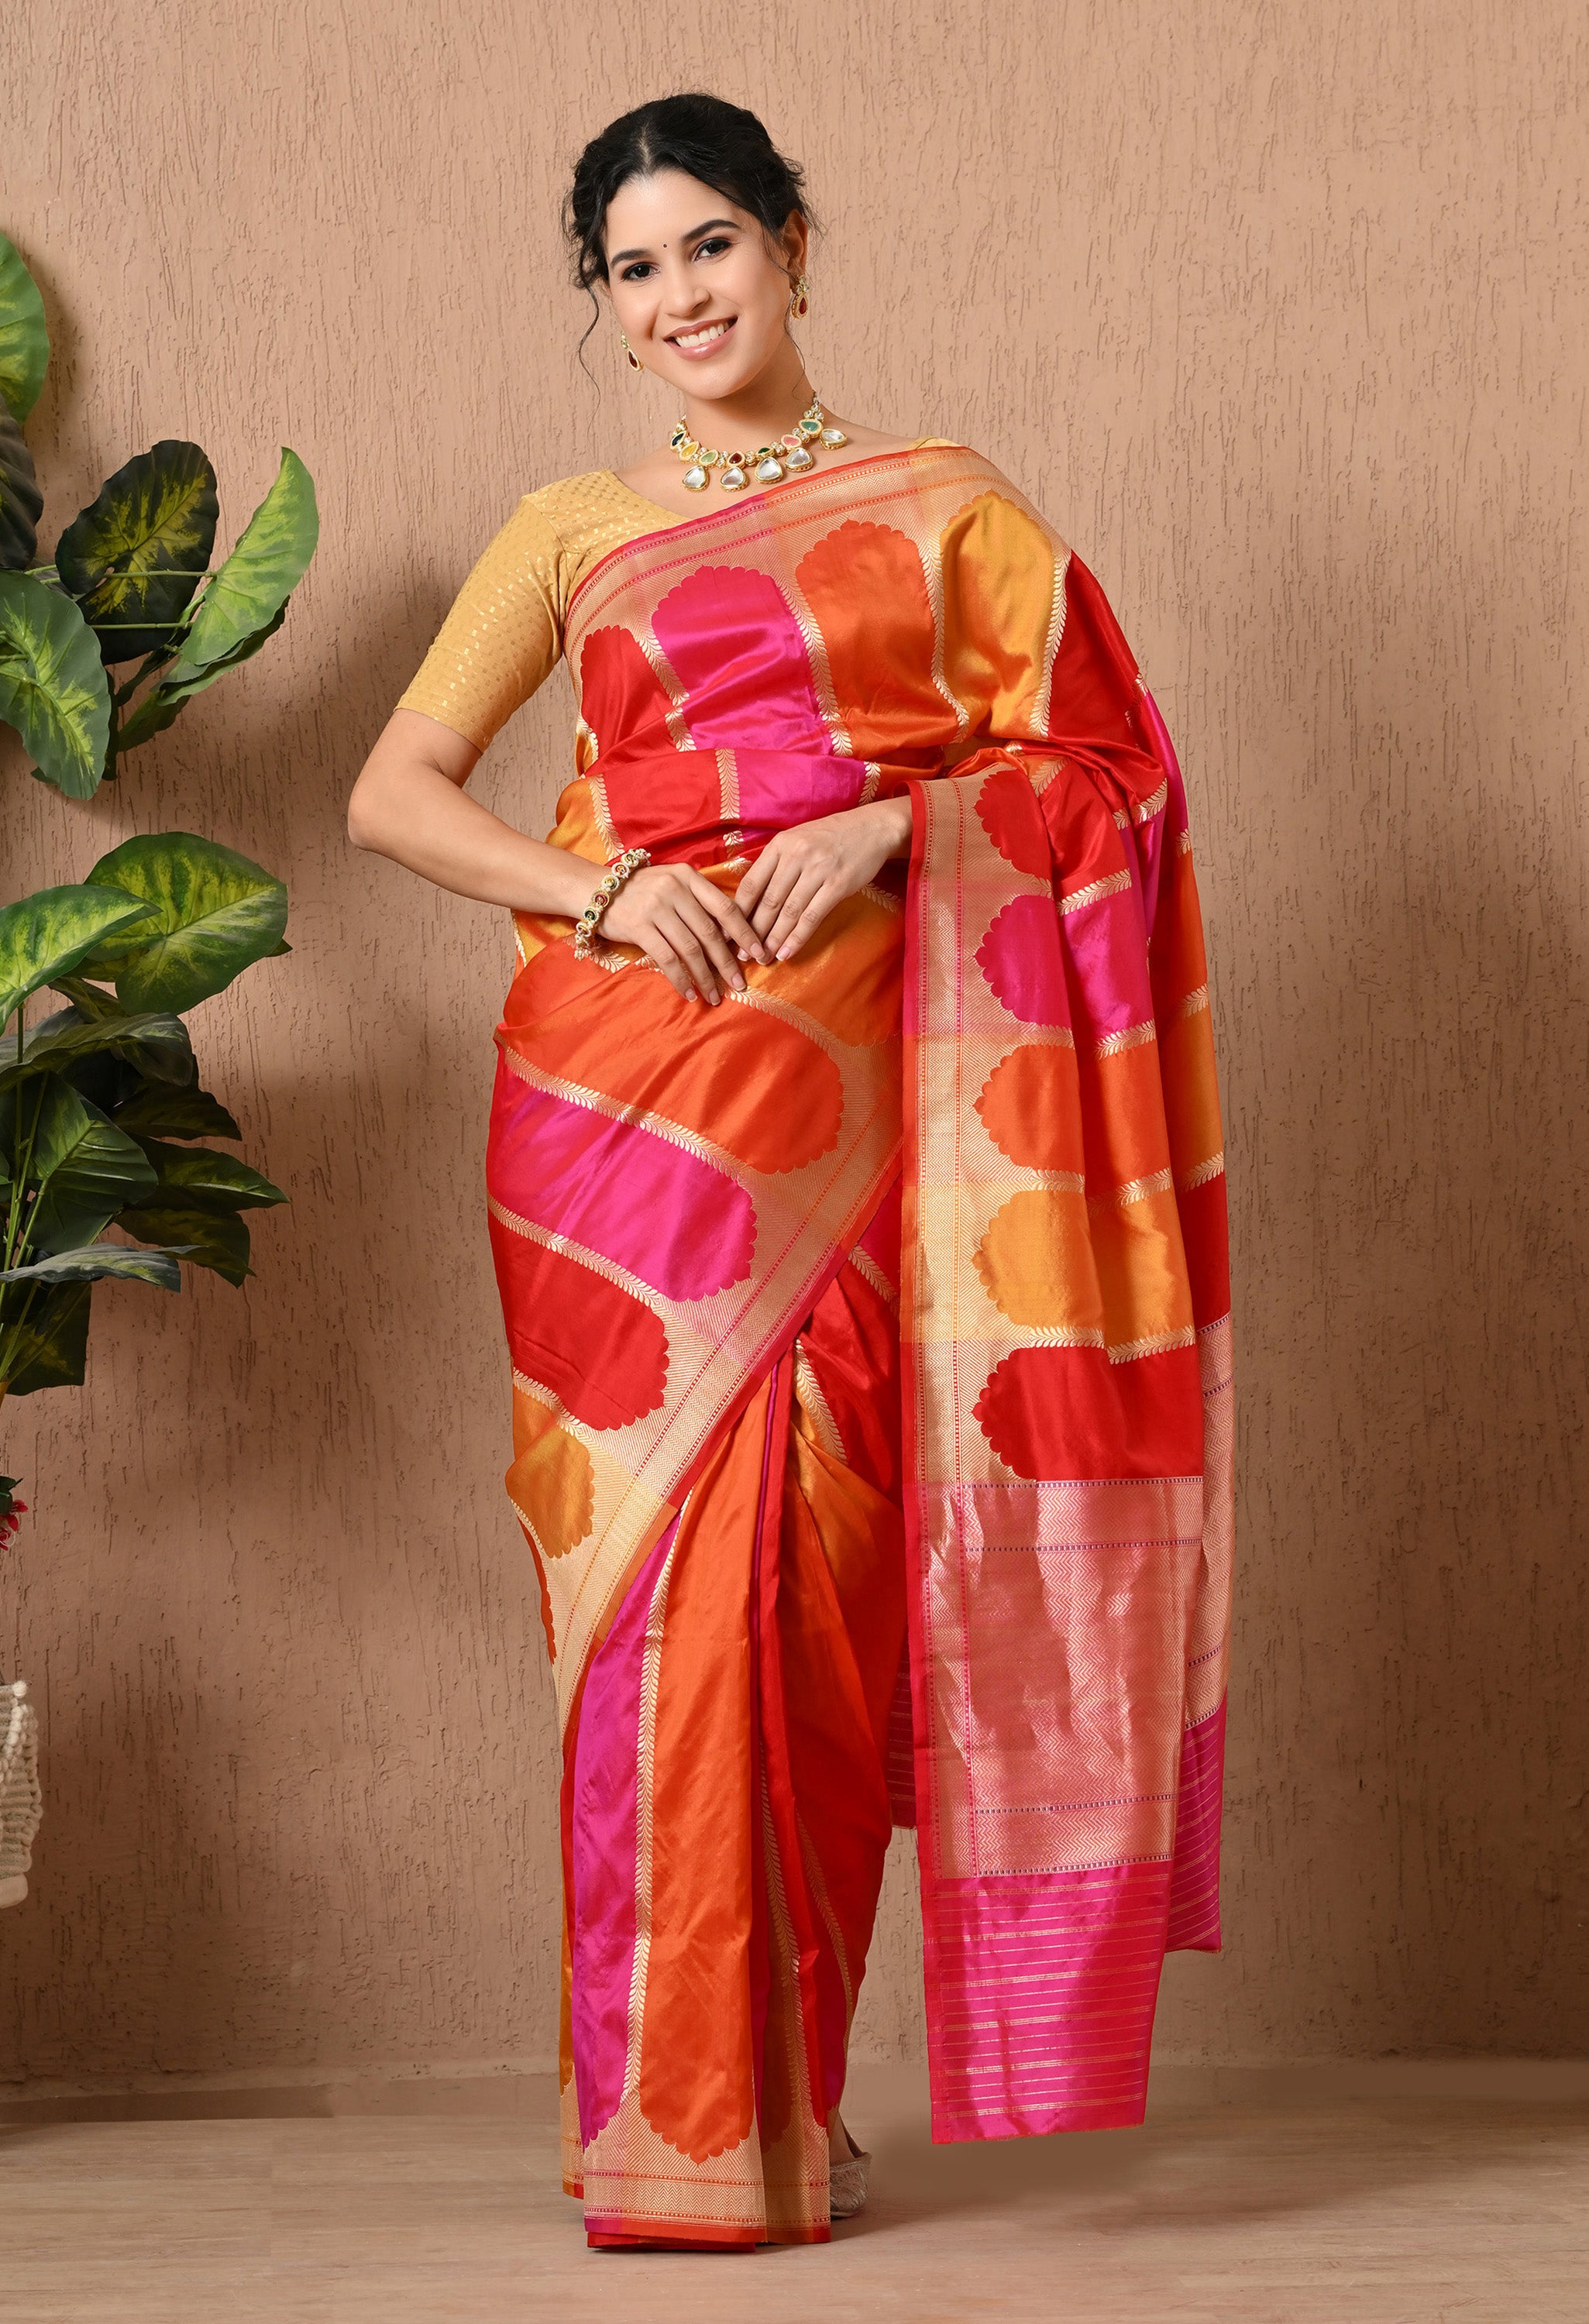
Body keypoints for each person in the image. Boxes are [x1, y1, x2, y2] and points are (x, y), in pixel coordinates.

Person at [349, 91, 1233, 2253]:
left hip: (875, 1113)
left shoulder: (943, 505)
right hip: (617, 1118)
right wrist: (585, 894)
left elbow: (1109, 762)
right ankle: (677, 2117)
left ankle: (780, 2100)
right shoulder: (569, 524)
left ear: (796, 243)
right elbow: (396, 792)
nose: (676, 299)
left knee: (824, 1603)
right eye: (633, 269)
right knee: (650, 1611)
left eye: (710, 247)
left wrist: (904, 824)